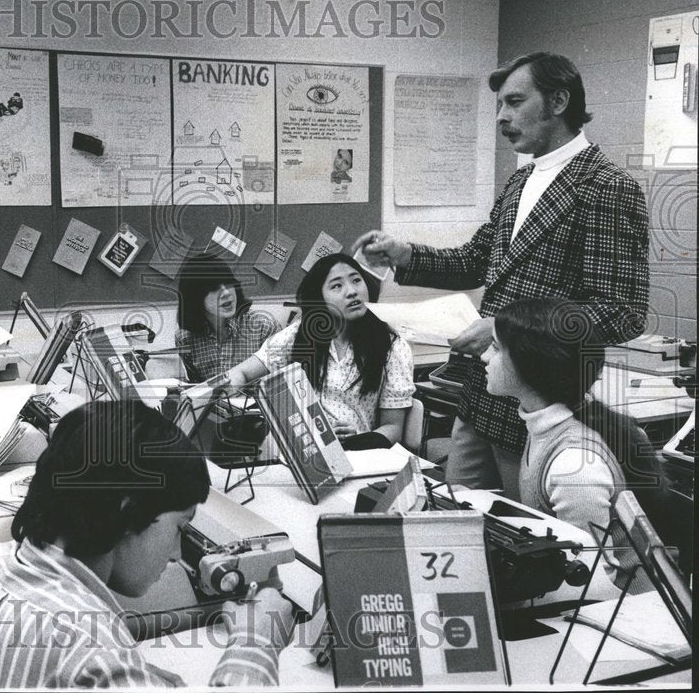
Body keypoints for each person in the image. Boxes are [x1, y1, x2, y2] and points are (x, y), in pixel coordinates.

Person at [352, 52, 649, 494]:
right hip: (481, 397)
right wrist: (404, 254)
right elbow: (476, 260)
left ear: (559, 101)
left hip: (538, 406)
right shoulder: (521, 180)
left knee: (522, 540)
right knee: (458, 523)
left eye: (514, 102)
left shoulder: (606, 186)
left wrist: (503, 327)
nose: (501, 117)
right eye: (500, 105)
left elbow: (623, 312)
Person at [0, 400, 294, 688]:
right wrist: (256, 641)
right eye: (180, 528)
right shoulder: (97, 658)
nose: (177, 555)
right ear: (128, 509)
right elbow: (90, 656)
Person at [483, 298, 667, 584]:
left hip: (620, 608)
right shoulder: (545, 427)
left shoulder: (574, 466)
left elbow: (591, 581)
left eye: (494, 348)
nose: (483, 357)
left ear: (530, 364)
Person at [226, 253, 414, 449]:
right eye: (337, 286)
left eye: (356, 280)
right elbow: (242, 372)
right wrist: (213, 392)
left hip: (360, 452)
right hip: (303, 448)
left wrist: (358, 439)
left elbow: (393, 427)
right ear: (320, 297)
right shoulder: (299, 335)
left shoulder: (392, 347)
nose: (351, 291)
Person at [175, 252, 279, 383]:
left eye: (228, 283)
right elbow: (198, 388)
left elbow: (284, 382)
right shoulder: (185, 338)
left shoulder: (263, 325)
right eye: (214, 288)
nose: (226, 292)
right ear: (195, 298)